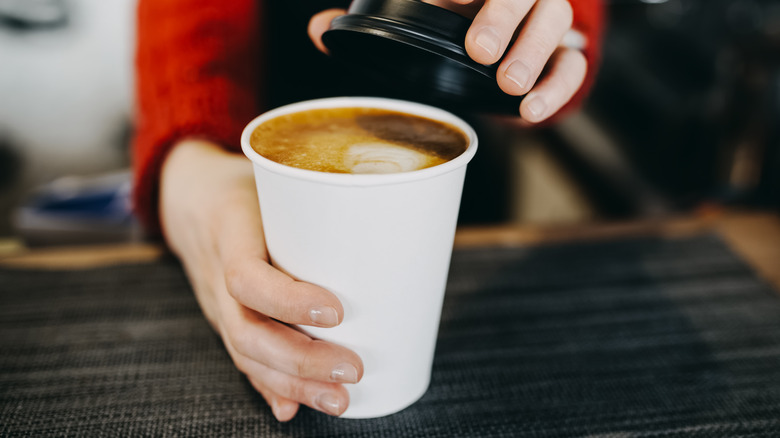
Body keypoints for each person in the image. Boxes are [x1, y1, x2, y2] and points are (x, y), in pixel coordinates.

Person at [133, 0, 605, 422]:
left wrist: (544, 31)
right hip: (269, 129)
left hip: (464, 147)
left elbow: (563, 33)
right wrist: (193, 168)